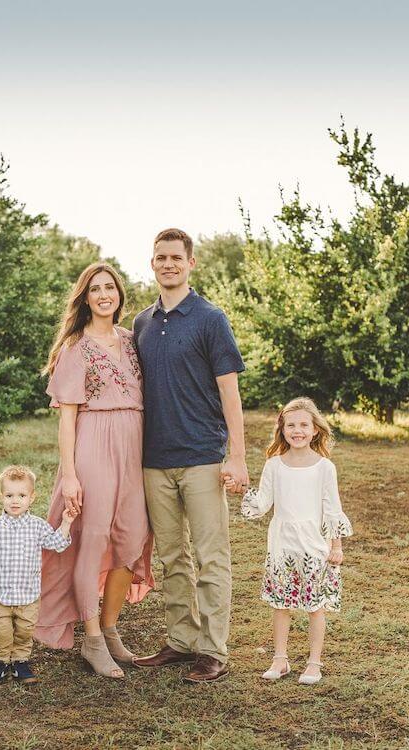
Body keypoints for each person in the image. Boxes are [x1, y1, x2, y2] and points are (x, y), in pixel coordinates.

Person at [132, 228, 249, 683]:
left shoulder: (210, 319)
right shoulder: (141, 324)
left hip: (202, 455)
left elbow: (230, 394)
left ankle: (213, 649)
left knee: (211, 556)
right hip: (153, 459)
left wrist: (235, 457)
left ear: (190, 263)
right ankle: (182, 640)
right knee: (172, 557)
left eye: (176, 257)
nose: (168, 264)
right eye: (160, 257)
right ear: (153, 263)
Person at [34, 262, 154, 679]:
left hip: (134, 445)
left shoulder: (131, 339)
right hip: (94, 445)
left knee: (133, 536)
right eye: (96, 289)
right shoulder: (75, 347)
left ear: (119, 294)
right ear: (85, 298)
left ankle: (110, 626)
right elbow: (66, 419)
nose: (104, 294)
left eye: (110, 287)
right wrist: (69, 475)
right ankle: (91, 639)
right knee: (94, 537)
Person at [234, 397, 353, 685]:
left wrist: (336, 546)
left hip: (313, 546)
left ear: (315, 430)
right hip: (281, 546)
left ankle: (314, 662)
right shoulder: (274, 465)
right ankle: (280, 658)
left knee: (315, 607)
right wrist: (242, 490)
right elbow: (263, 504)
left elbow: (331, 508)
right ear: (282, 429)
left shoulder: (324, 467)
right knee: (280, 605)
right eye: (291, 425)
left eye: (303, 425)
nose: (297, 430)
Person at [0, 465, 76, 688]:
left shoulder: (37, 526)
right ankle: (0, 663)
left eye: (21, 495)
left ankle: (20, 662)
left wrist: (67, 523)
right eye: (10, 495)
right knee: (1, 632)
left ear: (31, 498)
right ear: (1, 497)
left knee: (24, 631)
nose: (15, 500)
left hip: (28, 595)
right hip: (0, 594)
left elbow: (56, 544)